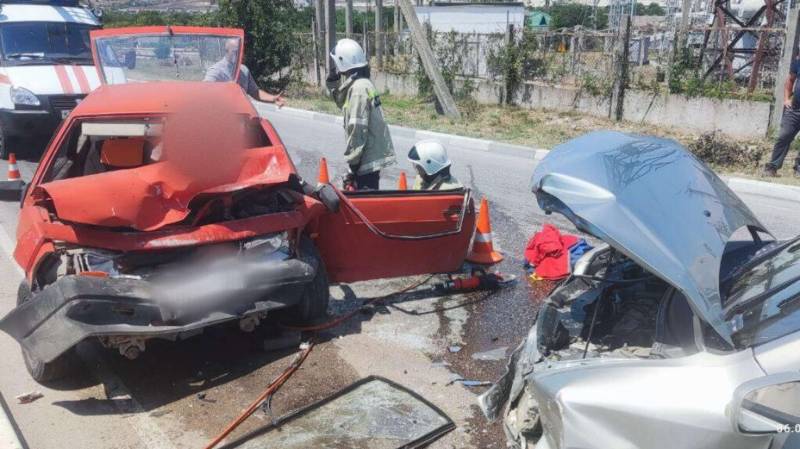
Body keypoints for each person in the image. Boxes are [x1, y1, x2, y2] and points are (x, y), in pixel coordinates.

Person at [326, 38, 396, 190]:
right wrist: (333, 84)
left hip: (365, 161)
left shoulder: (358, 89)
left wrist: (353, 165)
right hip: (368, 158)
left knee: (364, 202)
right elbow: (345, 105)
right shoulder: (362, 83)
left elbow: (357, 127)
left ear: (343, 61)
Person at [204, 38, 285, 107]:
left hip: (242, 113)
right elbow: (205, 90)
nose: (238, 54)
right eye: (235, 51)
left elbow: (255, 92)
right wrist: (225, 88)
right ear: (227, 50)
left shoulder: (244, 69)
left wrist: (273, 98)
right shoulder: (216, 70)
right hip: (223, 114)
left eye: (241, 51)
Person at [764, 57, 800, 177]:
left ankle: (799, 169)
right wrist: (786, 99)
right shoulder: (798, 62)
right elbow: (790, 80)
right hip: (794, 109)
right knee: (783, 136)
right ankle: (772, 167)